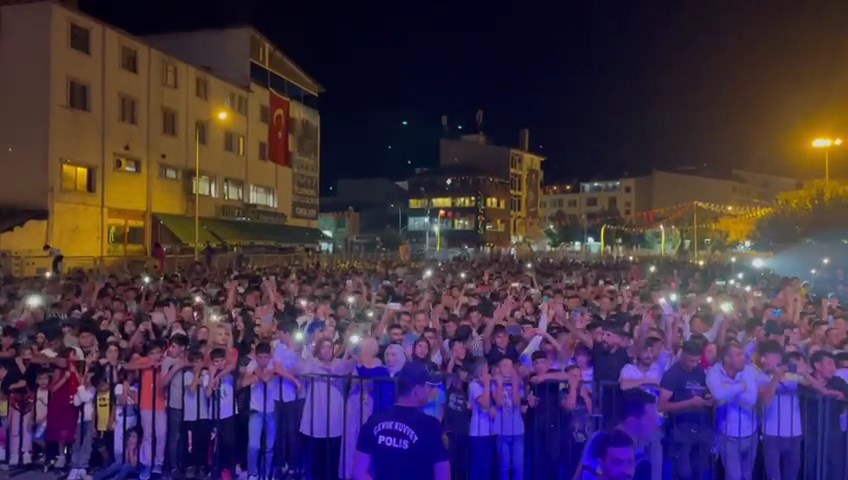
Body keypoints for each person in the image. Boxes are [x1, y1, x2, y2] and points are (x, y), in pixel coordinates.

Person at [352, 361, 450, 480]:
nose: (432, 391)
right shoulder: (431, 426)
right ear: (417, 390)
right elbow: (443, 475)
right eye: (429, 387)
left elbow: (359, 472)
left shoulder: (374, 422)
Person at [706, 340, 759, 480]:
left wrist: (728, 389)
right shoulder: (714, 373)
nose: (744, 357)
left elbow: (751, 400)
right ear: (727, 358)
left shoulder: (748, 370)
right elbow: (718, 394)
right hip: (727, 434)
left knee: (747, 476)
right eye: (739, 354)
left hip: (751, 431)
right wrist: (740, 387)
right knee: (733, 476)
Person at [577, 390, 657, 480]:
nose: (656, 425)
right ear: (632, 421)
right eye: (651, 419)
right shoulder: (599, 441)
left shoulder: (641, 456)